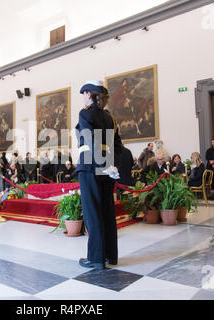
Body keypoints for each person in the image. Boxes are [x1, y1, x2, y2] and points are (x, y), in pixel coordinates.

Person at [75, 80, 123, 270]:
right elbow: (118, 145)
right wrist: (112, 166)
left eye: (85, 93)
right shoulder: (110, 117)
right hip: (107, 169)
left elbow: (90, 138)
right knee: (107, 212)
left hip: (89, 168)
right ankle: (110, 255)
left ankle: (95, 258)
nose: (84, 97)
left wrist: (102, 164)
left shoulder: (85, 113)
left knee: (92, 214)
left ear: (89, 94)